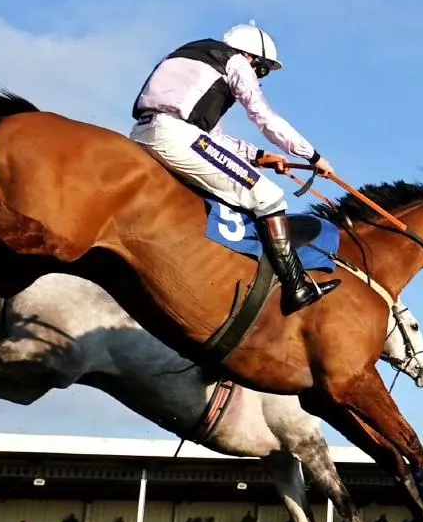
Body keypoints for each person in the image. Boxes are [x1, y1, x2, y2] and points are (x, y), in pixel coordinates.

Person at [130, 20, 339, 312]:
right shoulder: (237, 61)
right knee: (269, 196)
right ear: (251, 56)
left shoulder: (187, 54)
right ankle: (297, 287)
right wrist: (312, 156)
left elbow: (212, 140)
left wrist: (257, 155)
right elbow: (262, 115)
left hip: (144, 133)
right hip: (176, 136)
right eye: (262, 69)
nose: (259, 75)